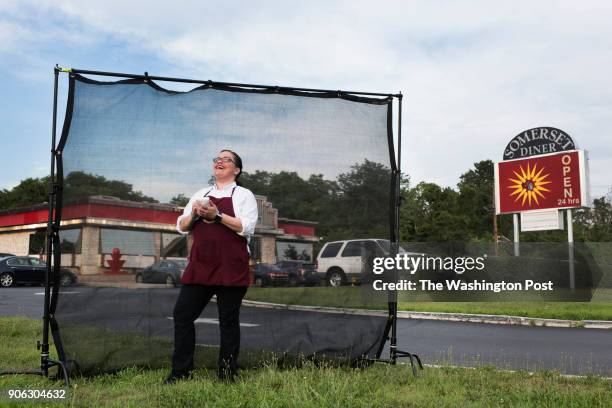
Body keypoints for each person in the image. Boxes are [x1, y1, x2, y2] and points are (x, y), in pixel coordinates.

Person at [165, 149, 258, 383]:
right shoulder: (200, 194)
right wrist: (196, 215)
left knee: (228, 321)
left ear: (236, 170)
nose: (220, 161)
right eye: (217, 159)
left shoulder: (244, 195)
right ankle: (181, 373)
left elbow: (245, 227)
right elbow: (182, 226)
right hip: (201, 265)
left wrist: (217, 216)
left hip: (231, 265)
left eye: (227, 159)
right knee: (182, 315)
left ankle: (227, 374)